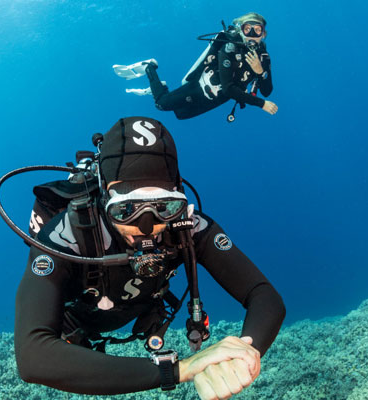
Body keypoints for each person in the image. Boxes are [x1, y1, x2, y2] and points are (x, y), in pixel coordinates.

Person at [14, 116, 285, 399]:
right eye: (126, 210)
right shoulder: (67, 236)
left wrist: (243, 354)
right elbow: (32, 356)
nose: (145, 227)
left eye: (165, 207)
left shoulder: (187, 228)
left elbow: (264, 295)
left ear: (179, 195)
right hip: (78, 323)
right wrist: (181, 369)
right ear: (104, 195)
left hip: (139, 310)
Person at [113, 12, 279, 121]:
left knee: (181, 114)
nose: (252, 35)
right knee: (162, 104)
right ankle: (150, 67)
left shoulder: (264, 58)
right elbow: (230, 89)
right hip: (201, 86)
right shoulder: (229, 48)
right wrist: (262, 104)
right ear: (241, 31)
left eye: (257, 30)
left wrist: (261, 72)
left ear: (263, 35)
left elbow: (266, 91)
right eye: (247, 29)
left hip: (217, 98)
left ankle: (160, 87)